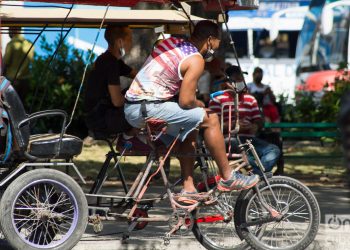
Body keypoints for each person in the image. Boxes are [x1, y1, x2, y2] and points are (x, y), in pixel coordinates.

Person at [125, 20, 259, 197]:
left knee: (192, 125)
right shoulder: (195, 60)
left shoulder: (170, 44)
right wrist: (198, 104)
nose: (216, 49)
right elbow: (186, 101)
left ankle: (188, 188)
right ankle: (228, 177)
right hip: (148, 107)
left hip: (133, 107)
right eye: (218, 44)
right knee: (210, 118)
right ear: (210, 40)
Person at [209, 65, 280, 175]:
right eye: (238, 79)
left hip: (249, 139)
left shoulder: (250, 99)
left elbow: (259, 121)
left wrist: (255, 126)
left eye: (242, 78)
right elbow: (213, 126)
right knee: (246, 156)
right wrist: (233, 125)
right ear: (228, 82)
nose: (242, 81)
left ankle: (257, 175)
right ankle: (258, 175)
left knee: (273, 150)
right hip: (229, 139)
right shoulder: (217, 100)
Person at [84, 24, 141, 144]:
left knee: (137, 93)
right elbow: (117, 101)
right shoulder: (111, 64)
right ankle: (131, 139)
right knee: (148, 110)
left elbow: (139, 76)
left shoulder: (106, 59)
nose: (131, 42)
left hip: (93, 117)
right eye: (129, 39)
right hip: (102, 120)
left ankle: (130, 137)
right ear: (120, 42)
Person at [3, 27, 34, 101]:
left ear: (14, 30)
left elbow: (6, 62)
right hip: (25, 80)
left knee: (10, 104)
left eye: (10, 29)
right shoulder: (29, 44)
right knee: (21, 104)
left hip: (12, 79)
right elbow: (31, 60)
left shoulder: (11, 44)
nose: (8, 32)